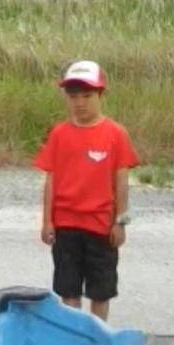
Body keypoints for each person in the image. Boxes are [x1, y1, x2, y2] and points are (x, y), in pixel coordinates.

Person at [34, 60, 139, 322]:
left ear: (100, 94)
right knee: (68, 289)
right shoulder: (59, 134)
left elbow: (121, 181)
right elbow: (51, 180)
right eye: (73, 96)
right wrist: (47, 221)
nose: (80, 103)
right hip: (66, 224)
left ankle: (96, 336)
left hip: (101, 225)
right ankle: (75, 336)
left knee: (100, 290)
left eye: (87, 96)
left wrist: (120, 221)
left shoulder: (115, 134)